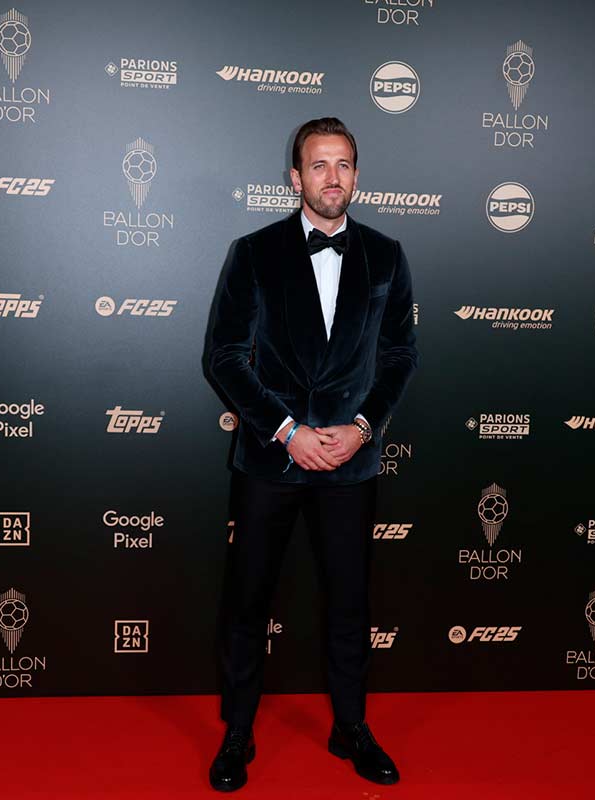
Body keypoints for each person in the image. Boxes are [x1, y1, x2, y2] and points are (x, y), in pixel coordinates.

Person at [204, 117, 419, 791]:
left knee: (350, 602)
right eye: (319, 165)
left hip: (350, 463)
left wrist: (361, 426)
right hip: (272, 461)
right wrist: (288, 430)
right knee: (248, 600)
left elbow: (399, 356)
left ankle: (350, 727)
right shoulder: (254, 251)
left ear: (357, 174)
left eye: (344, 164)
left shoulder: (386, 256)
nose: (333, 177)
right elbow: (225, 357)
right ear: (295, 178)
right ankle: (238, 732)